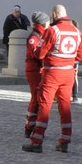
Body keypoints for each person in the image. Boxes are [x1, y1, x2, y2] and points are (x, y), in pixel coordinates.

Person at [24, 3, 82, 153]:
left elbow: (40, 54)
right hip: (68, 73)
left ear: (55, 15)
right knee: (65, 106)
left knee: (45, 105)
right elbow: (80, 55)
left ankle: (37, 140)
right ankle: (65, 139)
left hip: (52, 72)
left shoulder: (52, 30)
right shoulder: (78, 32)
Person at [22, 11, 51, 140]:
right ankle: (29, 127)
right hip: (34, 71)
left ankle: (33, 126)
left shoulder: (42, 35)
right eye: (48, 21)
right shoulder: (34, 37)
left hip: (39, 70)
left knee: (39, 100)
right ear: (43, 23)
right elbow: (37, 55)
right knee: (36, 99)